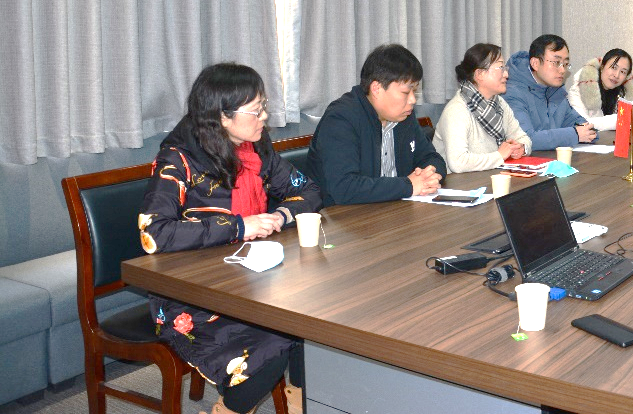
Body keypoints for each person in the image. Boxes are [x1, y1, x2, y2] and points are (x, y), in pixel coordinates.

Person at [138, 63, 322, 414]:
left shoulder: (255, 150)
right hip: (191, 295)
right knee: (272, 347)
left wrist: (282, 215)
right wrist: (238, 227)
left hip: (251, 281)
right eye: (256, 110)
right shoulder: (178, 160)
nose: (264, 116)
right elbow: (154, 233)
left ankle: (301, 402)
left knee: (310, 325)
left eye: (264, 106)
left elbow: (308, 189)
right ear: (223, 117)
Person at [306, 44, 446, 205]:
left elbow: (432, 158)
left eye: (415, 91)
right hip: (341, 216)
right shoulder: (341, 118)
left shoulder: (404, 116)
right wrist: (408, 186)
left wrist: (428, 177)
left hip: (393, 209)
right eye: (406, 92)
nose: (413, 100)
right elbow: (344, 188)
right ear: (376, 88)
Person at [433, 43, 533, 172]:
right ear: (480, 74)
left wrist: (522, 148)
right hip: (459, 182)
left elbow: (523, 137)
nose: (506, 74)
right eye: (501, 67)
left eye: (505, 68)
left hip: (491, 176)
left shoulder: (499, 103)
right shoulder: (456, 111)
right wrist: (499, 156)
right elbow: (457, 163)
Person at [504, 34, 597, 150]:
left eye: (565, 64)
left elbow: (584, 127)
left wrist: (586, 131)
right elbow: (525, 140)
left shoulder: (555, 91)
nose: (562, 70)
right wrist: (575, 134)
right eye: (556, 63)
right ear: (535, 63)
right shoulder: (512, 93)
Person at [566, 48, 633, 132]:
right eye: (614, 67)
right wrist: (618, 119)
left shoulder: (622, 91)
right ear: (602, 67)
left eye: (623, 72)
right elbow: (581, 124)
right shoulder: (579, 88)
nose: (616, 75)